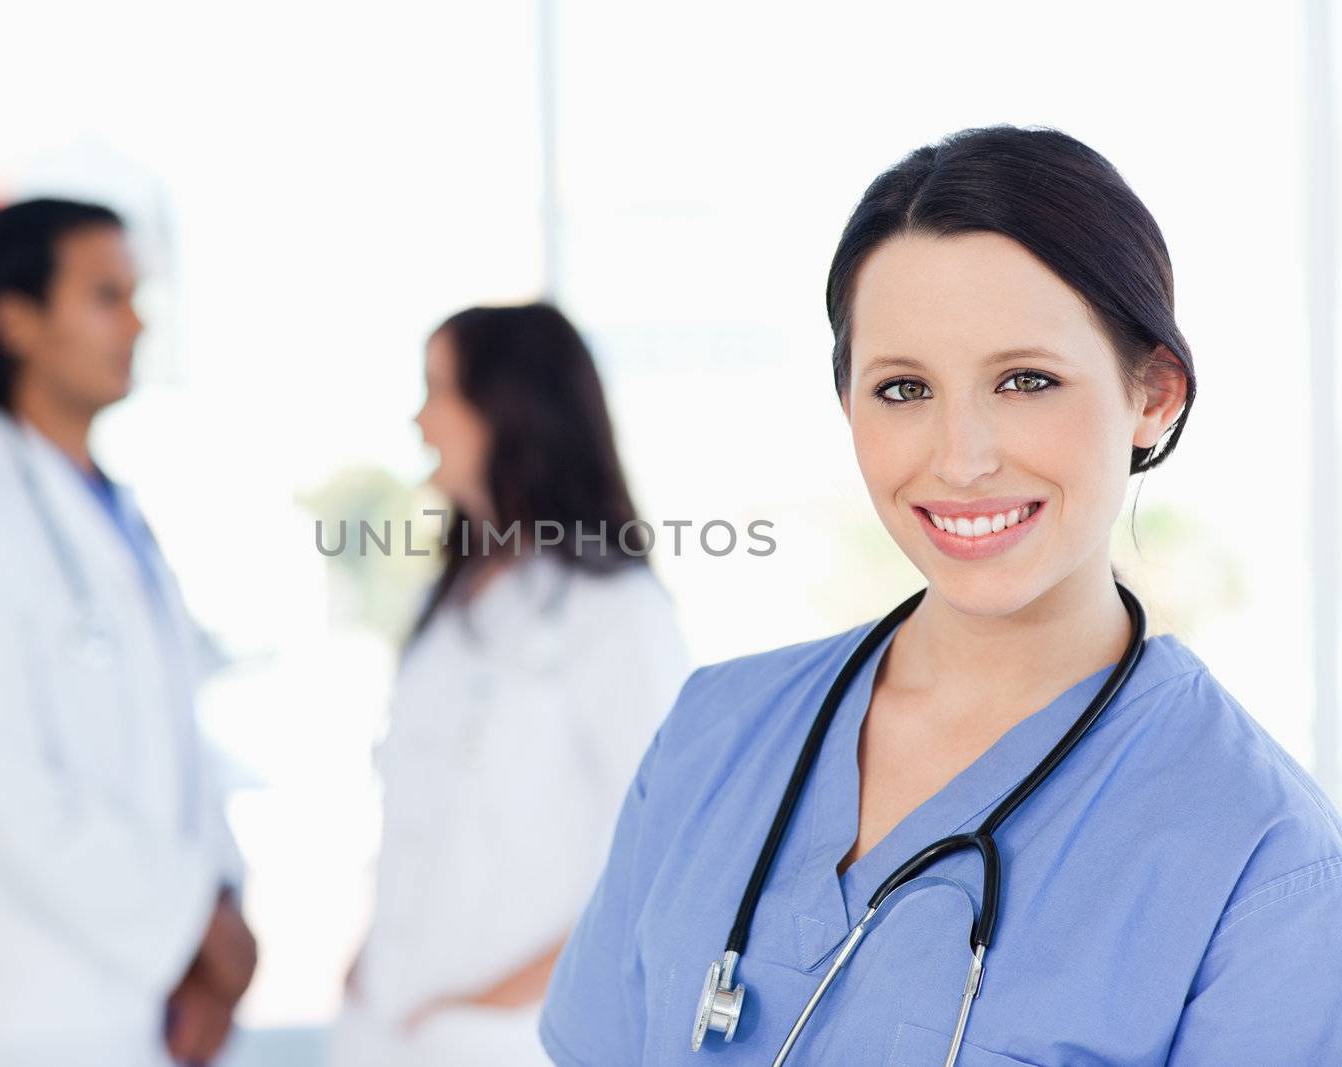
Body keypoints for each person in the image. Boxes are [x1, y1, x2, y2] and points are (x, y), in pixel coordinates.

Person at [540, 126, 1342, 1065]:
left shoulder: (1262, 857)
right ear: (848, 406)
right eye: (903, 389)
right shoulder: (714, 733)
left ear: (1154, 393)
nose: (961, 459)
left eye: (1025, 380)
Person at [0, 198, 256, 1067]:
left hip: (155, 1011)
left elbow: (178, 756)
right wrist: (195, 927)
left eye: (137, 293)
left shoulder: (116, 514)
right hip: (35, 1019)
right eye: (105, 295)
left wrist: (213, 935)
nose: (137, 320)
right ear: (15, 320)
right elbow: (4, 794)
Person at [327, 304, 692, 1066]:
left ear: (509, 409)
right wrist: (370, 968)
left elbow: (661, 861)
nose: (420, 417)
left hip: (508, 1039)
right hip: (391, 1024)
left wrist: (479, 1005)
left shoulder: (615, 612)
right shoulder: (458, 599)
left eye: (440, 389)